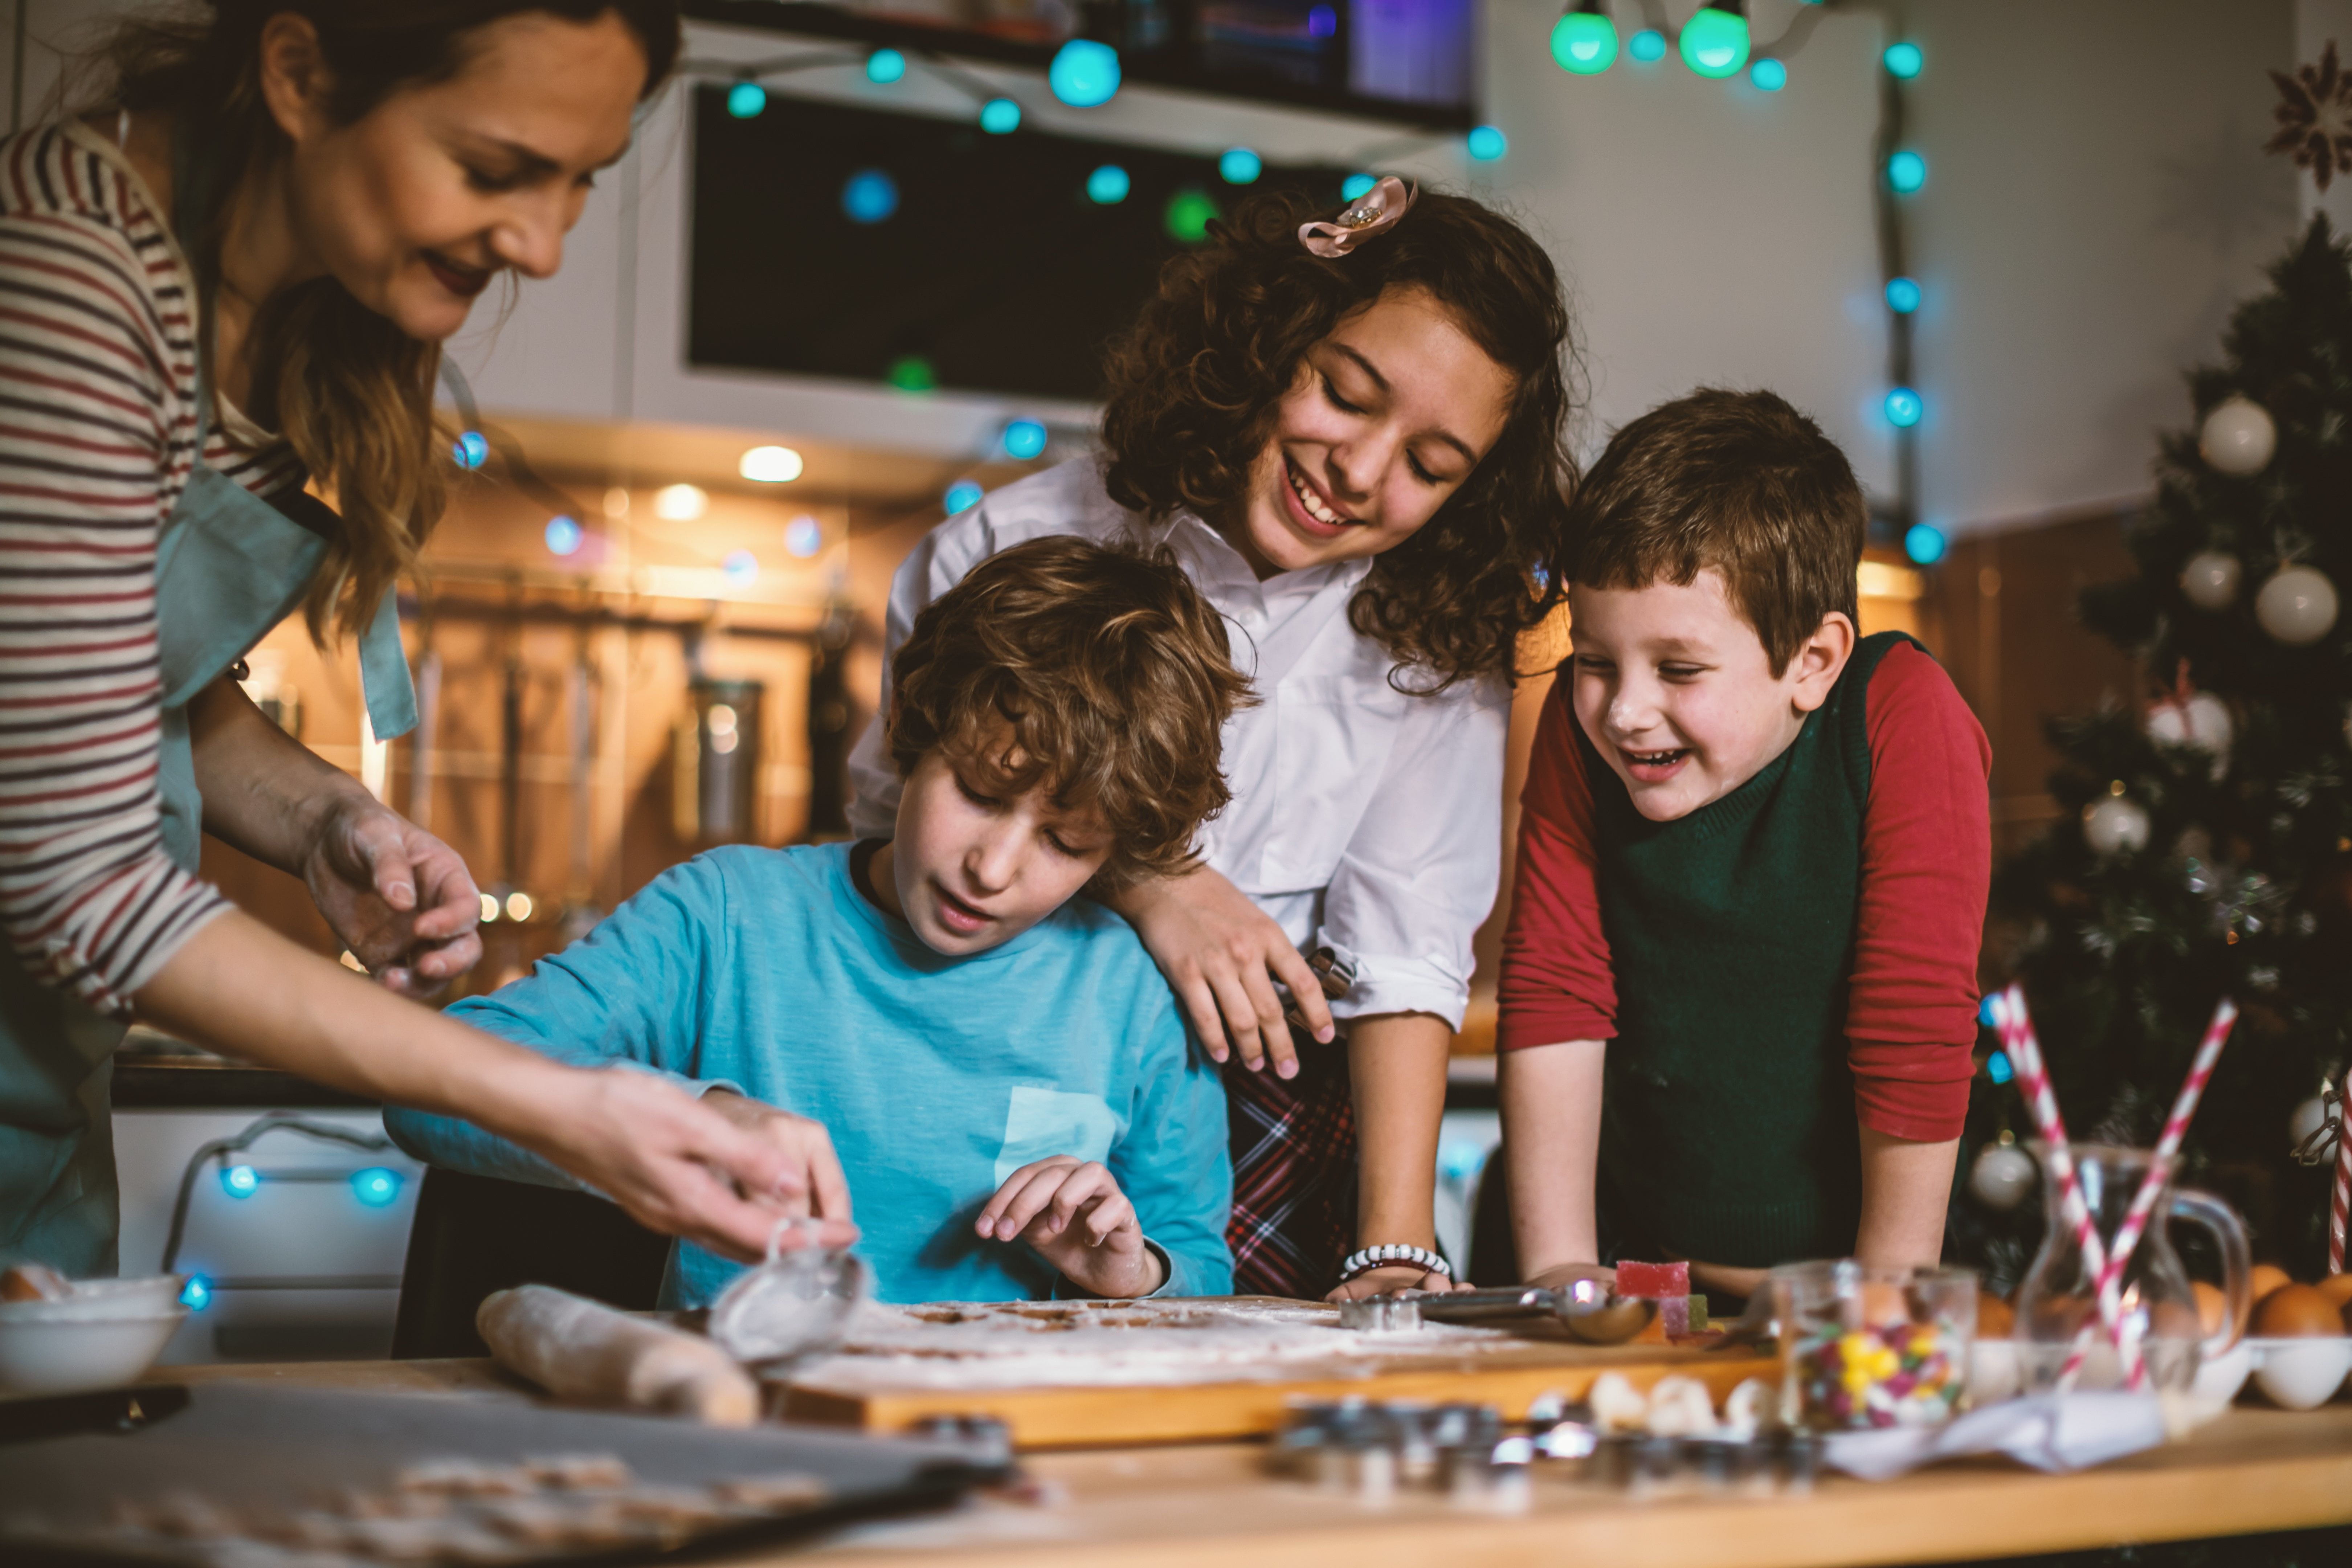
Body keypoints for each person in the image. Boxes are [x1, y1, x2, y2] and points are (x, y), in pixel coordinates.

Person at [0, 1, 828, 1279]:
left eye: (579, 184)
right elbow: (80, 886)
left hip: (38, 1117)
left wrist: (325, 816)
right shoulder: (66, 279)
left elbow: (110, 684)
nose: (543, 247)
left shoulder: (281, 304)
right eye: (497, 172)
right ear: (297, 73)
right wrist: (551, 1100)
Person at [848, 179, 1577, 1301]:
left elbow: (1405, 953)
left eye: (1432, 468)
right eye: (1344, 394)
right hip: (997, 1041)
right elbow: (902, 816)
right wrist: (1156, 885)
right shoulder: (1012, 539)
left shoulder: (1435, 641)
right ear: (1265, 342)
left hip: (1274, 1094)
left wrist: (1393, 1246)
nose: (1363, 473)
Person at [388, 539, 1244, 1304]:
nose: (993, 869)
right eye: (980, 793)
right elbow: (432, 1090)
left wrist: (1133, 1273)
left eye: (1066, 842)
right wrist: (702, 1117)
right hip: (742, 1421)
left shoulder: (1135, 994)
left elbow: (1202, 1267)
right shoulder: (727, 917)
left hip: (1002, 1438)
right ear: (917, 726)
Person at [1493, 389, 1990, 1305]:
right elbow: (1556, 988)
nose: (1624, 710)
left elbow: (1913, 1019)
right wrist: (1561, 1273)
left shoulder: (1900, 713)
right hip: (1624, 1267)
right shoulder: (1579, 730)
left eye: (1679, 669)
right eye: (1595, 660)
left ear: (1813, 662)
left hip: (1847, 1275)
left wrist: (1887, 1289)